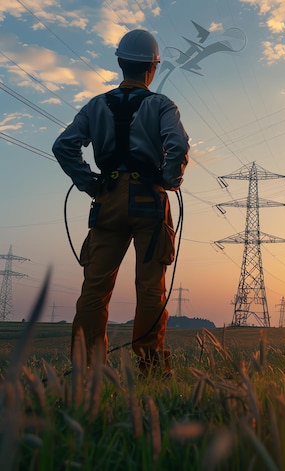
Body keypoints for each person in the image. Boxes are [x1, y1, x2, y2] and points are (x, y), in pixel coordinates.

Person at [52, 29, 189, 376]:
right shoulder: (161, 106)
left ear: (120, 63)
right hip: (149, 202)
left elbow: (64, 146)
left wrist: (90, 184)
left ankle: (87, 369)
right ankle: (151, 366)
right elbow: (178, 146)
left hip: (108, 201)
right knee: (150, 289)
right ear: (152, 68)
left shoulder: (96, 105)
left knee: (95, 288)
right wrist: (169, 180)